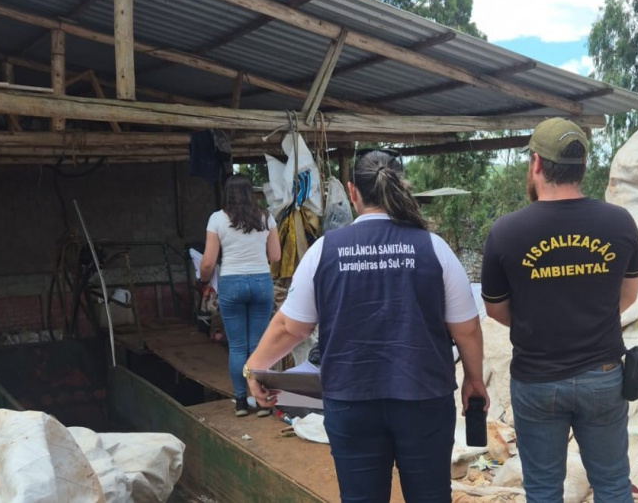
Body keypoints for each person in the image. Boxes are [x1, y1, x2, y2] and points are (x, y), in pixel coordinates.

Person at [244, 148, 489, 503]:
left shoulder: (323, 251)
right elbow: (466, 329)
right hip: (423, 400)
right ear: (402, 187)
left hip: (351, 401)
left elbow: (290, 328)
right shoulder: (434, 249)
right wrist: (474, 380)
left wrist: (256, 367)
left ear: (352, 191)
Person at [481, 118, 638, 503]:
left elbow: (496, 311)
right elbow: (629, 296)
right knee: (613, 485)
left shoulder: (506, 232)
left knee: (542, 490)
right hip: (603, 378)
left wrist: (538, 320)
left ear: (536, 163)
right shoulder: (618, 222)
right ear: (582, 167)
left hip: (536, 380)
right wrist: (591, 315)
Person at [200, 174, 281, 417]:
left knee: (237, 347)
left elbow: (208, 263)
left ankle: (241, 402)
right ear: (251, 193)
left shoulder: (217, 219)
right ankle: (263, 403)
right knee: (258, 346)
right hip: (260, 282)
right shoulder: (266, 217)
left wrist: (203, 279)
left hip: (231, 282)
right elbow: (275, 256)